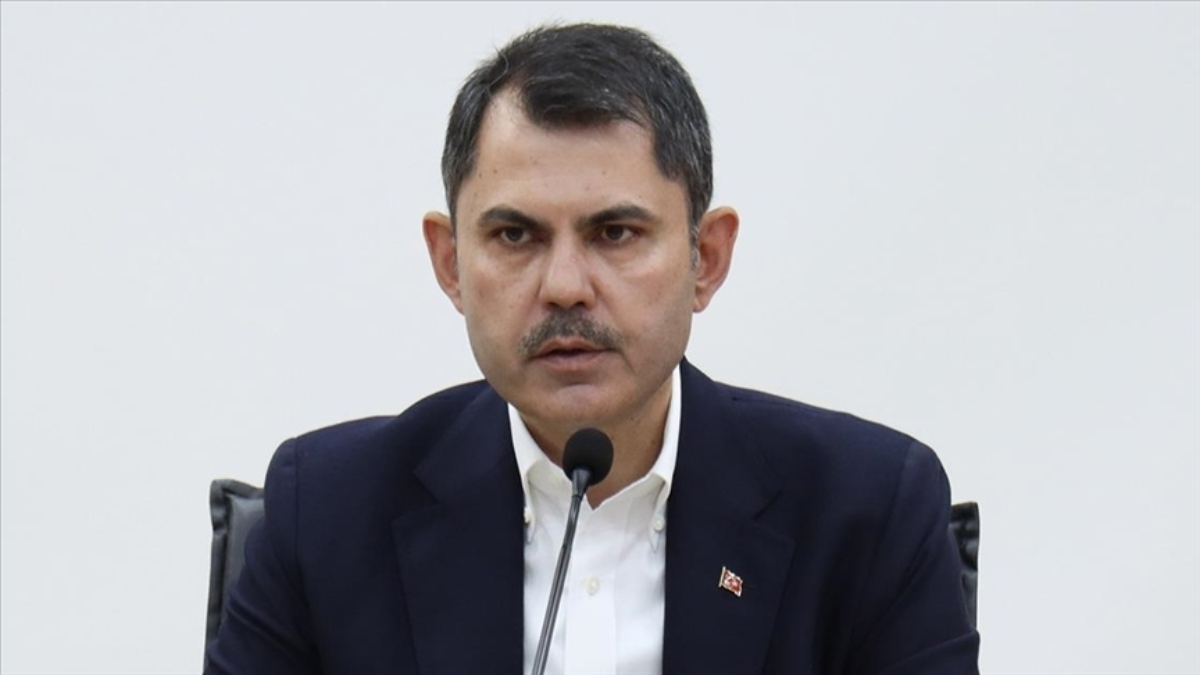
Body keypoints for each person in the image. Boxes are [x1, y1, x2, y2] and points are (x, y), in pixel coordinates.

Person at [205, 22, 980, 675]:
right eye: (516, 235)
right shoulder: (327, 514)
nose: (566, 287)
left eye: (615, 232)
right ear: (451, 264)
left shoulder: (868, 512)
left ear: (706, 258)